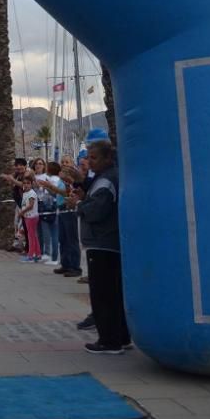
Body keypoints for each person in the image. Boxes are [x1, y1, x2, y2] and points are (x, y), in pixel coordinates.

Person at [67, 140, 131, 354]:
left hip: (103, 244)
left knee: (103, 295)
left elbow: (96, 211)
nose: (90, 162)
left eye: (94, 158)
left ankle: (109, 341)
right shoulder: (104, 178)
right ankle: (121, 336)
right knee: (113, 294)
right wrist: (82, 185)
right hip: (106, 243)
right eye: (88, 157)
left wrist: (78, 205)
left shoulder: (107, 180)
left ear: (108, 158)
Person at [18, 174, 41, 262]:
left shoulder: (32, 193)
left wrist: (22, 212)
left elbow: (31, 205)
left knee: (31, 236)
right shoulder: (25, 193)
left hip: (31, 217)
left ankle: (31, 255)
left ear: (31, 184)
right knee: (33, 236)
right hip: (27, 216)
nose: (26, 185)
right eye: (24, 183)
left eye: (28, 183)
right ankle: (38, 254)